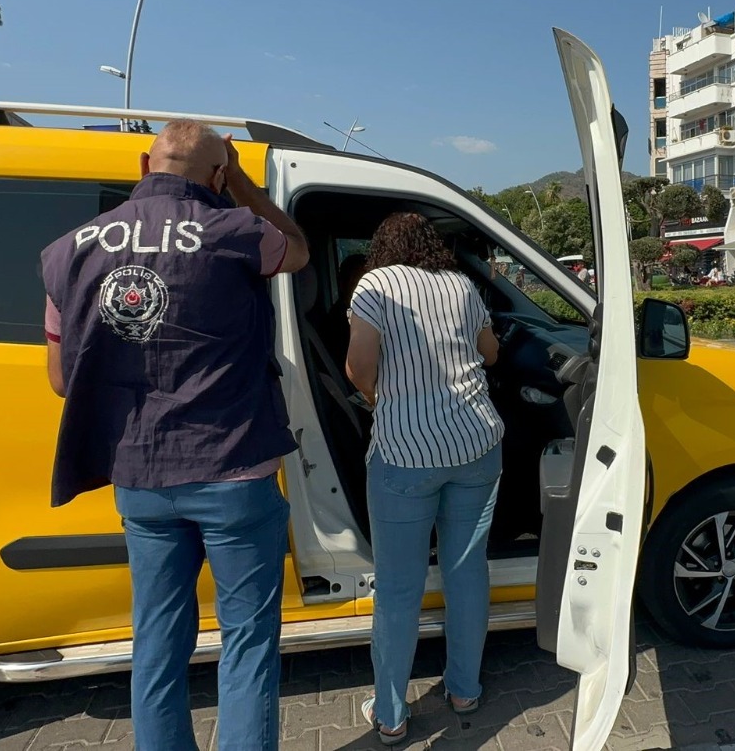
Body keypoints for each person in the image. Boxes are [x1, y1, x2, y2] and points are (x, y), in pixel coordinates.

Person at [40, 119, 309, 751]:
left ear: (144, 164)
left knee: (157, 640)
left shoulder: (66, 251)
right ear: (219, 175)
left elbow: (61, 379)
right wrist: (244, 187)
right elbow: (297, 248)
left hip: (139, 476)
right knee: (247, 641)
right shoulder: (238, 231)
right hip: (232, 468)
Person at [345, 212, 505, 746]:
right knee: (467, 571)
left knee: (398, 587)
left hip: (405, 455)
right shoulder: (461, 285)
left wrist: (383, 402)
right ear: (432, 245)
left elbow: (358, 367)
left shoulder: (375, 285)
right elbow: (490, 353)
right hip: (476, 443)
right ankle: (464, 691)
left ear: (383, 246)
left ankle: (391, 715)